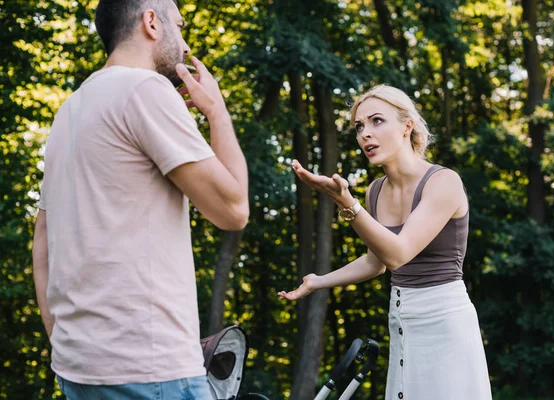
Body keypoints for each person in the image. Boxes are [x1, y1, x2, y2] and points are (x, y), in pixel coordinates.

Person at [32, 0, 249, 398]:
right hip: (151, 371)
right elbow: (233, 211)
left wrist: (64, 341)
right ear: (152, 22)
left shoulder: (69, 110)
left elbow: (42, 243)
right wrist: (217, 112)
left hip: (77, 367)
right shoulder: (144, 88)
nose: (185, 46)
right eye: (179, 27)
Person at [278, 85, 492, 399]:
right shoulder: (375, 191)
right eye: (359, 127)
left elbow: (399, 254)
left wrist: (346, 203)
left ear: (407, 126)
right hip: (402, 322)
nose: (365, 134)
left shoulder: (444, 182)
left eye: (377, 121)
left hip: (445, 325)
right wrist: (318, 281)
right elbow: (376, 262)